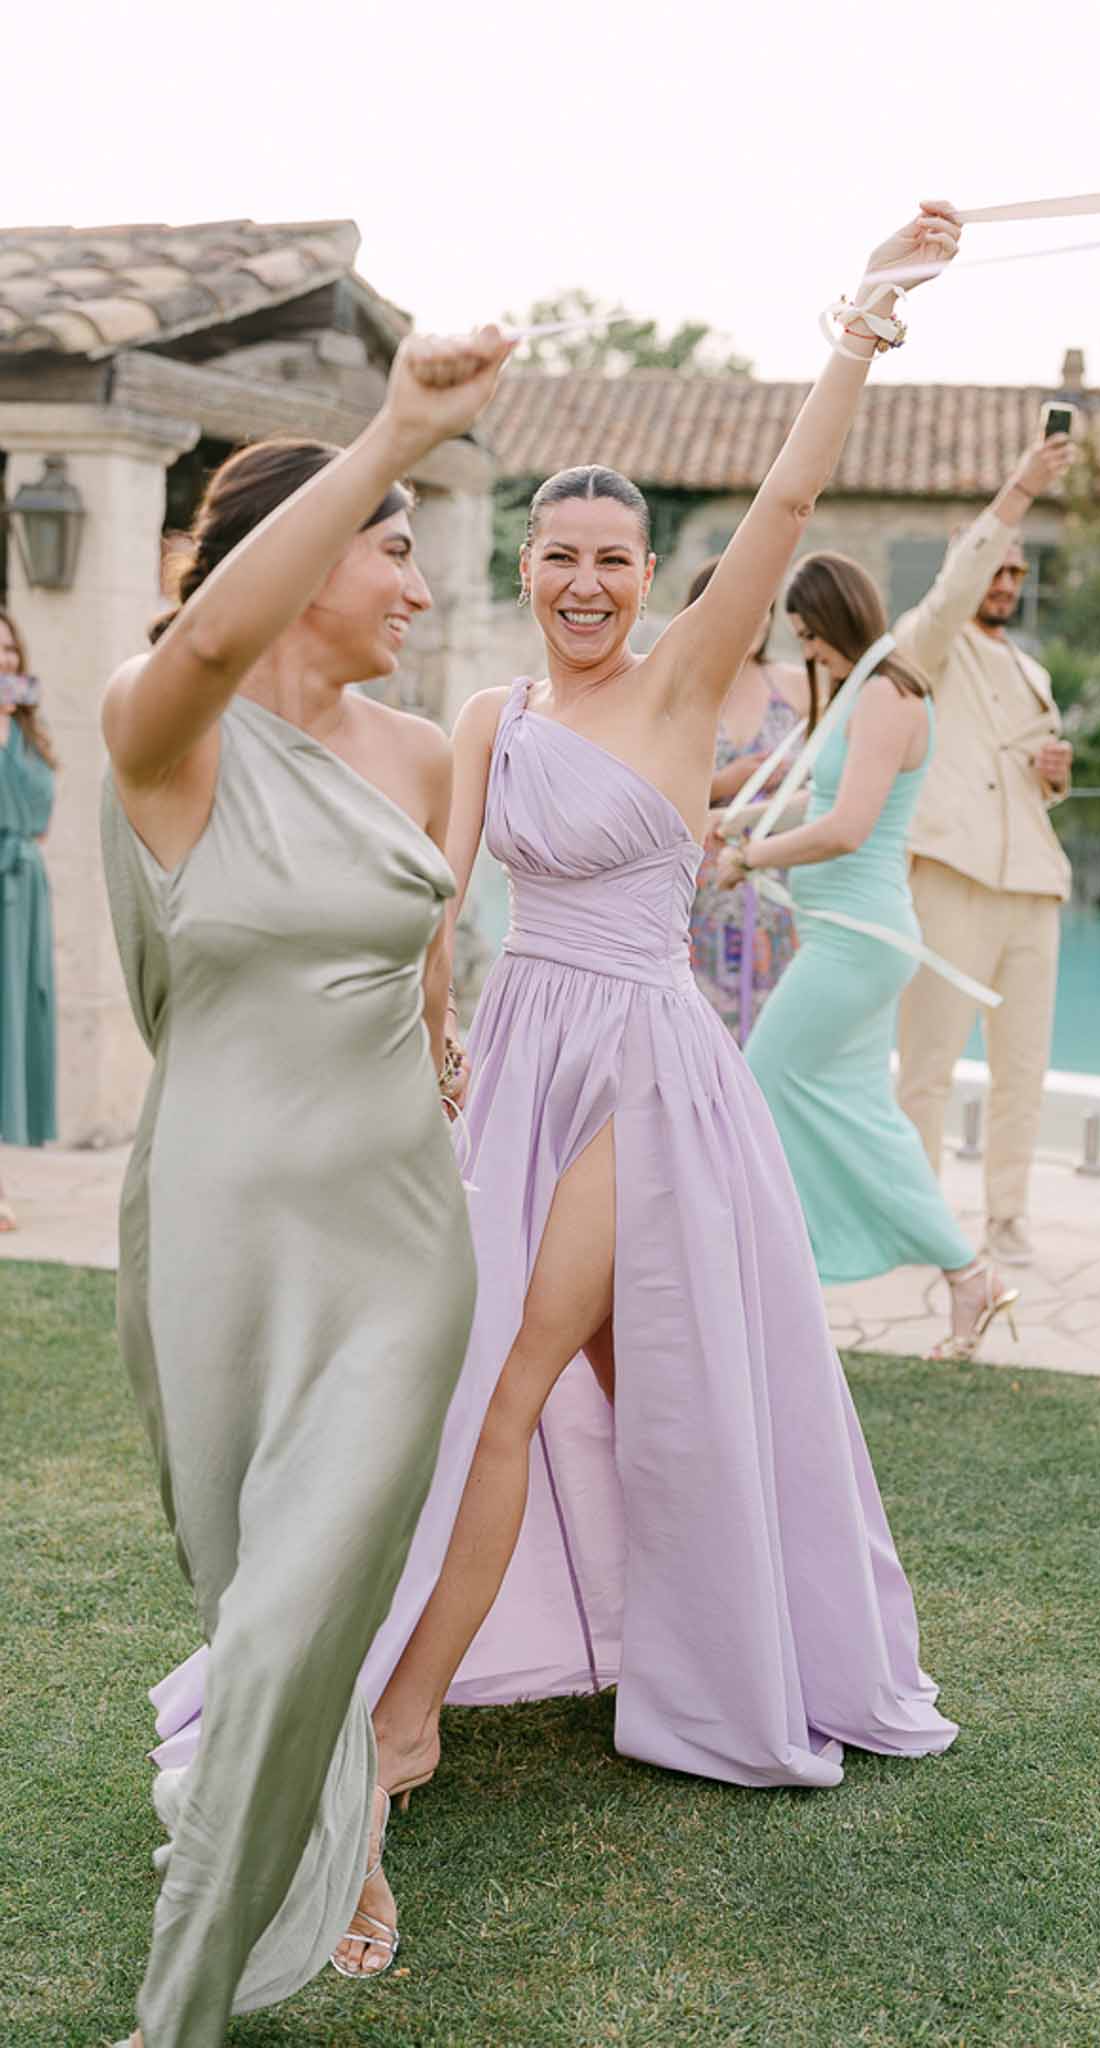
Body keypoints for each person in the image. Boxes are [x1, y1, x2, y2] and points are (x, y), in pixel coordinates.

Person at [331, 201, 965, 1809]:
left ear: (643, 577)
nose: (590, 582)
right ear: (528, 570)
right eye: (562, 558)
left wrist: (861, 321)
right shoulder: (486, 709)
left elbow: (793, 495)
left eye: (615, 559)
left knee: (522, 1370)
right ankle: (666, 1638)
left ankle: (409, 1717)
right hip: (518, 1058)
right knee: (589, 1383)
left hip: (643, 1068)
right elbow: (439, 888)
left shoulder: (687, 679)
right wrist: (428, 1022)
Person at [101, 329, 508, 2046]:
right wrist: (394, 426)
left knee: (296, 1612)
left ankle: (173, 2014)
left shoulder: (422, 754)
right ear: (310, 548)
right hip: (212, 1235)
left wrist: (439, 1036)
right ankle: (336, 1845)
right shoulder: (163, 732)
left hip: (399, 1244)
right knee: (262, 1599)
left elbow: (422, 954)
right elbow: (206, 634)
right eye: (396, 543)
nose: (418, 582)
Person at [718, 551, 1019, 1360]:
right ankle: (968, 1278)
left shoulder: (886, 696)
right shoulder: (865, 691)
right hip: (844, 937)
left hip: (858, 942)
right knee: (868, 1122)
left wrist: (750, 858)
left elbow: (849, 827)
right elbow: (820, 803)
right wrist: (739, 829)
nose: (807, 653)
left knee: (758, 1083)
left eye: (810, 636)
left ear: (835, 621)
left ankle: (768, 1274)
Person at [890, 436, 1076, 1268]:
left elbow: (1035, 774)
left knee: (1022, 1069)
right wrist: (1018, 493)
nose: (1000, 585)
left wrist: (1054, 774)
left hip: (1033, 884)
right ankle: (919, 1216)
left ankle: (1008, 1217)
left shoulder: (1033, 671)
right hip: (950, 874)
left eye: (1013, 575)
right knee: (926, 1061)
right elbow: (949, 592)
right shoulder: (927, 643)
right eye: (991, 569)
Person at [685, 556, 808, 1039]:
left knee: (774, 1045)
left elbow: (836, 778)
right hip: (698, 899)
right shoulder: (685, 692)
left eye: (763, 607)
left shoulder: (796, 685)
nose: (755, 619)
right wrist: (723, 782)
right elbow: (645, 791)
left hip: (782, 893)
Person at [0, 608, 58, 1229]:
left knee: (8, 1025)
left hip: (20, 894)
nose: (6, 663)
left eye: (12, 653)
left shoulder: (30, 736)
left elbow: (39, 817)